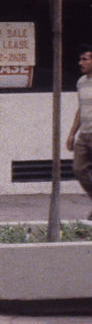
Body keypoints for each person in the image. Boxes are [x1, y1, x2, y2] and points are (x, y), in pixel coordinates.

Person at [64, 47, 92, 212]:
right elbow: (80, 109)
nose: (80, 63)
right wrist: (72, 134)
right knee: (79, 169)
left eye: (84, 59)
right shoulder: (81, 82)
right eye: (80, 59)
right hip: (84, 134)